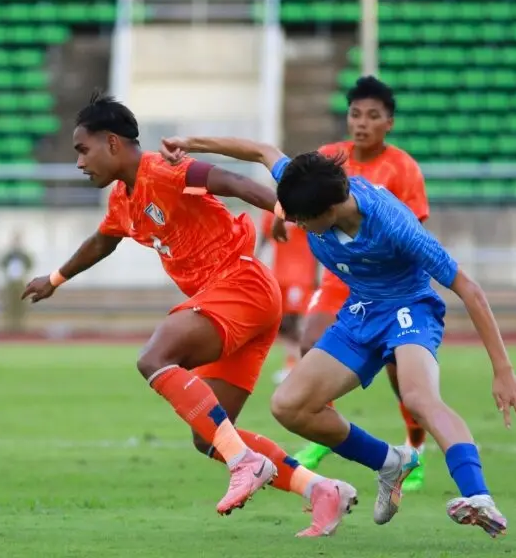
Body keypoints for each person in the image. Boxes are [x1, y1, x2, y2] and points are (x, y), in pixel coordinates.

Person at [159, 135, 516, 538]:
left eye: (303, 220)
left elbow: (469, 288)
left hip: (409, 307)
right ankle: (390, 462)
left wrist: (503, 370)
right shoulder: (309, 183)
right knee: (290, 405)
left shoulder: (393, 225)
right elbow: (262, 151)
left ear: (330, 210)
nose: (297, 225)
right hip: (361, 310)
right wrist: (189, 143)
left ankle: (479, 497)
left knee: (418, 397)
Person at [23, 93, 357, 537]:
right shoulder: (123, 201)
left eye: (83, 150)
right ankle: (320, 490)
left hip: (239, 285)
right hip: (237, 304)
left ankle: (245, 463)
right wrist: (57, 278)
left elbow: (233, 182)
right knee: (211, 435)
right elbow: (103, 241)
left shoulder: (165, 170)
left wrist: (284, 210)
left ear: (113, 143)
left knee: (154, 357)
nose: (80, 163)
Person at [286, 77, 432, 490]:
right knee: (309, 343)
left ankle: (413, 450)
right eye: (355, 114)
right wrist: (282, 213)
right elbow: (293, 187)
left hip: (387, 285)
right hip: (339, 278)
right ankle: (320, 438)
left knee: (400, 374)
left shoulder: (403, 168)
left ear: (389, 122)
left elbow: (412, 233)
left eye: (372, 116)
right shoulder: (331, 157)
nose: (362, 123)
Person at [257, 209, 318, 384]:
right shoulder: (272, 210)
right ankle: (293, 364)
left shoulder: (304, 209)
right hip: (279, 275)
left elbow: (316, 239)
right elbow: (264, 238)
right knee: (282, 324)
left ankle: (300, 366)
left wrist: (316, 275)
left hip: (301, 276)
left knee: (294, 321)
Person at [0, 232, 34, 334]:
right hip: (10, 281)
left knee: (21, 304)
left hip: (20, 281)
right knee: (9, 304)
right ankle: (9, 325)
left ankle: (20, 325)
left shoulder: (23, 255)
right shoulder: (8, 255)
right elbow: (1, 264)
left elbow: (30, 264)